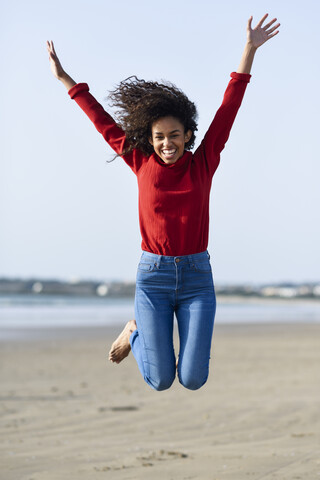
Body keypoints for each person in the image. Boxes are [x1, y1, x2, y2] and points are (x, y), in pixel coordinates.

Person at [47, 14, 280, 391]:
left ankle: (150, 334)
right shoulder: (139, 160)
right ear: (149, 138)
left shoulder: (203, 162)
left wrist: (249, 49)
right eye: (159, 137)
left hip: (196, 279)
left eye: (174, 135)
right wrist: (65, 80)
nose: (167, 143)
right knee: (159, 380)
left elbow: (228, 108)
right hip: (153, 278)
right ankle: (134, 331)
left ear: (188, 134)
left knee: (192, 378)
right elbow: (100, 120)